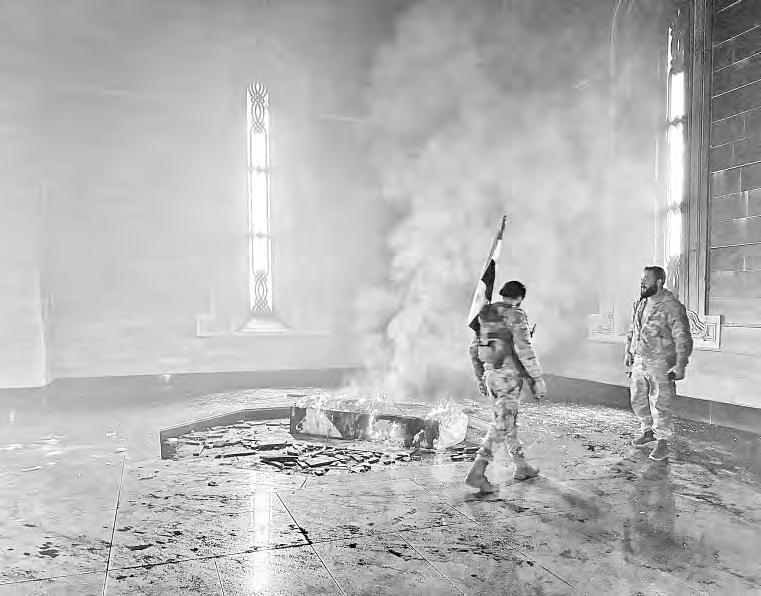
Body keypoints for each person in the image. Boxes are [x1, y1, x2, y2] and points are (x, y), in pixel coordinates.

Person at [465, 281, 546, 493]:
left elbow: (474, 349)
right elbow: (524, 349)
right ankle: (477, 471)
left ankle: (522, 465)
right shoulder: (515, 314)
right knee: (501, 424)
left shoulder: (485, 313)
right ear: (519, 298)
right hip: (508, 377)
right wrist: (537, 379)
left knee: (508, 421)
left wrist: (479, 377)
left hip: (491, 375)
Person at [625, 266, 693, 461]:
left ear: (659, 281)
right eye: (641, 279)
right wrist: (629, 350)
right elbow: (633, 329)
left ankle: (662, 443)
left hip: (660, 361)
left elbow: (682, 337)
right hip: (639, 358)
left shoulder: (672, 307)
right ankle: (648, 432)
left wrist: (680, 364)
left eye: (646, 279)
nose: (642, 282)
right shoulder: (640, 303)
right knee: (638, 398)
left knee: (661, 402)